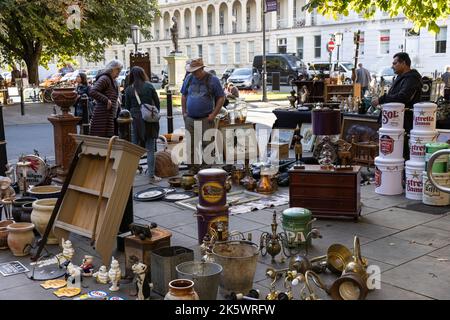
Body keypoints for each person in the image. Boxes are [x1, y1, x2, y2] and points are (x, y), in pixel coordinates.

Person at [371, 52, 422, 159]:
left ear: (403, 63)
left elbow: (403, 97)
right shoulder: (402, 77)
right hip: (394, 121)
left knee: (400, 152)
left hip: (403, 122)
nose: (392, 66)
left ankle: (401, 174)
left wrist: (381, 99)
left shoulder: (411, 78)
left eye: (395, 63)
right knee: (392, 153)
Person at [181, 58, 225, 173]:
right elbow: (184, 95)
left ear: (201, 69)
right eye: (192, 71)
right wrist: (184, 112)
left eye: (195, 71)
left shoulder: (212, 80)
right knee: (191, 145)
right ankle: (193, 169)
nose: (194, 74)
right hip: (190, 118)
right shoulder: (189, 79)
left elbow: (221, 97)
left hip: (206, 118)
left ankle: (206, 170)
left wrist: (213, 114)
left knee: (207, 145)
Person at [125, 66, 161, 183]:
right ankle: (151, 176)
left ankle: (132, 172)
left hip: (135, 120)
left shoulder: (129, 89)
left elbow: (127, 107)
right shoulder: (149, 86)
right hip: (148, 120)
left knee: (134, 148)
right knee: (150, 148)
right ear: (142, 74)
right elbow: (157, 103)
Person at [89, 60, 123, 138]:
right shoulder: (105, 78)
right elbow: (93, 91)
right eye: (117, 71)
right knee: (102, 142)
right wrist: (106, 100)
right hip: (101, 116)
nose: (118, 74)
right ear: (112, 69)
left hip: (108, 116)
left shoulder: (112, 80)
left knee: (108, 141)